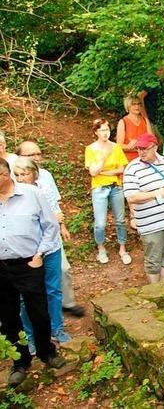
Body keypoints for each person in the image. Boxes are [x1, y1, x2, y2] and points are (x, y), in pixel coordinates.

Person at [0, 157, 66, 387]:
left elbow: (50, 226)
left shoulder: (30, 193)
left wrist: (39, 255)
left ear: (6, 173)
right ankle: (20, 362)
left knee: (38, 310)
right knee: (8, 317)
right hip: (1, 267)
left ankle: (47, 352)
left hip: (29, 263)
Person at [17, 142, 83, 333]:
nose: (37, 157)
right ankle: (31, 333)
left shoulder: (46, 176)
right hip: (28, 246)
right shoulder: (14, 185)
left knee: (62, 272)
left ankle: (62, 315)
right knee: (29, 291)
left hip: (51, 239)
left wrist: (62, 225)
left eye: (39, 153)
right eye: (31, 154)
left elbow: (54, 205)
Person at [123, 133, 164, 283]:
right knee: (153, 260)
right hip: (151, 225)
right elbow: (132, 197)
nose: (141, 152)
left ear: (155, 147)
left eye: (145, 148)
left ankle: (163, 286)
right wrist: (157, 193)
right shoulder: (132, 169)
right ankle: (155, 290)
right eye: (139, 148)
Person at [85, 118, 131, 265]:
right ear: (96, 132)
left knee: (120, 220)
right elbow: (92, 172)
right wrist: (103, 158)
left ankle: (123, 248)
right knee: (100, 223)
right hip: (99, 189)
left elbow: (121, 169)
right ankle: (101, 249)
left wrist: (103, 172)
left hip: (116, 186)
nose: (105, 133)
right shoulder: (90, 149)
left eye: (107, 129)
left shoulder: (116, 147)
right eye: (102, 130)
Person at [116, 94, 154, 162]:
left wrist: (137, 144)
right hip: (129, 160)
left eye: (139, 104)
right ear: (128, 106)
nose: (137, 106)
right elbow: (119, 146)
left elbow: (152, 140)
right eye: (134, 104)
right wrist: (128, 147)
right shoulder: (123, 122)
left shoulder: (145, 120)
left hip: (145, 158)